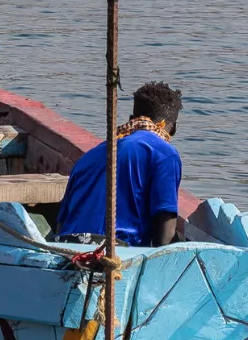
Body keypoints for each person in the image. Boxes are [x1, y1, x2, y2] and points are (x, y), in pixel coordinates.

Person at [56, 82, 185, 248]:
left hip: (65, 246)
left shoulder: (90, 156)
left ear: (132, 120)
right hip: (112, 251)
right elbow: (164, 237)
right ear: (173, 128)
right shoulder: (164, 153)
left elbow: (60, 223)